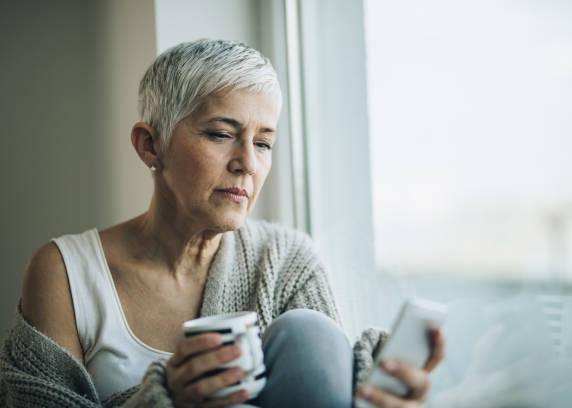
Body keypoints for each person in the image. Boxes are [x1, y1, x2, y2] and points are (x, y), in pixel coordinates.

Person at [0, 39, 444, 408]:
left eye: (264, 143)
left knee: (308, 330)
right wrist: (164, 399)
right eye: (220, 134)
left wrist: (379, 390)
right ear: (150, 145)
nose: (248, 164)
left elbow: (322, 381)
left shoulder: (287, 259)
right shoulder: (63, 271)